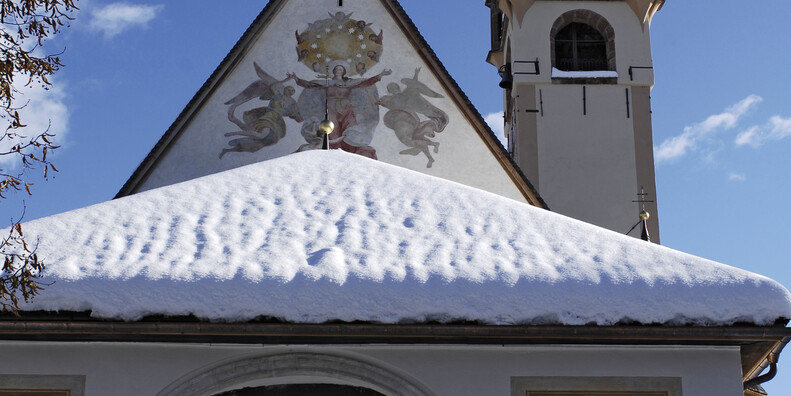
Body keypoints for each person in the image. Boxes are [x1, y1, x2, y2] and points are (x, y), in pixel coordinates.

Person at [288, 63, 391, 159]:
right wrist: (296, 79)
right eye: (336, 69)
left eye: (340, 69)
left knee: (349, 126)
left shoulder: (349, 83)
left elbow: (365, 83)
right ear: (333, 71)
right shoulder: (327, 83)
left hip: (346, 107)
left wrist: (380, 75)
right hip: (331, 107)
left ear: (344, 72)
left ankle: (349, 148)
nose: (338, 70)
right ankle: (332, 148)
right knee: (332, 128)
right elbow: (310, 85)